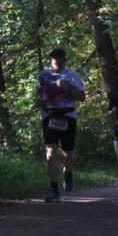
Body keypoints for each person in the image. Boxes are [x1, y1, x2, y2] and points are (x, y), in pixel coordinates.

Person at [37, 48, 86, 202]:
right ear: (50, 60)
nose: (56, 60)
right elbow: (39, 97)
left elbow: (83, 97)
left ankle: (68, 173)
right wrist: (39, 102)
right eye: (53, 58)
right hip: (49, 116)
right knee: (51, 152)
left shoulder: (72, 75)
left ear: (64, 59)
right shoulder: (43, 76)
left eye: (59, 58)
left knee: (68, 152)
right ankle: (53, 188)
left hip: (67, 116)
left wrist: (68, 88)